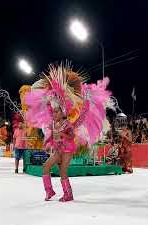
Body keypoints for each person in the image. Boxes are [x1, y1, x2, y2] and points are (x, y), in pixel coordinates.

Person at [24, 63, 111, 202]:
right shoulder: (52, 122)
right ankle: (49, 191)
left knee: (62, 171)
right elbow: (51, 134)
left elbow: (73, 132)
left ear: (63, 112)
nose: (54, 112)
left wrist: (63, 134)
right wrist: (47, 142)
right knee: (45, 167)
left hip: (67, 149)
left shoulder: (68, 124)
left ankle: (68, 194)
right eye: (54, 110)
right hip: (58, 150)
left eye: (57, 111)